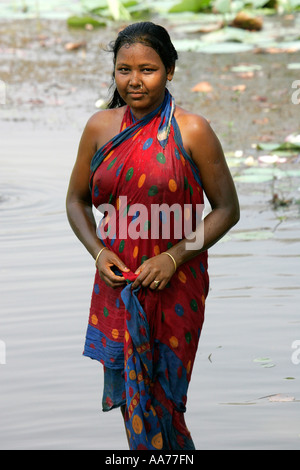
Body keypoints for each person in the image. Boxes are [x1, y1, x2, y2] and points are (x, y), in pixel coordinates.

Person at [66, 21, 239, 450]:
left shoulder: (193, 130)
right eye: (124, 70)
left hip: (175, 285)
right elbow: (75, 201)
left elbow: (227, 210)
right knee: (133, 403)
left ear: (171, 70)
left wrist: (174, 257)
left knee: (164, 402)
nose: (134, 81)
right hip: (118, 282)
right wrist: (97, 250)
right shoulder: (99, 128)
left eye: (148, 69)